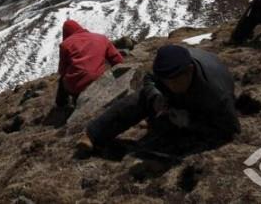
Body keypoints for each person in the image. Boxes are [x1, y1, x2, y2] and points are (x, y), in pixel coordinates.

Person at [76, 45, 240, 152]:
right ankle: (94, 133)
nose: (171, 86)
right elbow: (150, 79)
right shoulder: (170, 71)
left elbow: (229, 129)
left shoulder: (217, 95)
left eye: (175, 81)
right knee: (141, 97)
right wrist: (156, 96)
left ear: (190, 71)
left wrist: (190, 123)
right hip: (177, 101)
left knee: (175, 132)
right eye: (166, 82)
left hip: (201, 107)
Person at [56, 19, 124, 107]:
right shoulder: (101, 38)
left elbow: (62, 70)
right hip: (100, 80)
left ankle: (62, 105)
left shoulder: (65, 44)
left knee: (63, 80)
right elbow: (117, 59)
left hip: (76, 86)